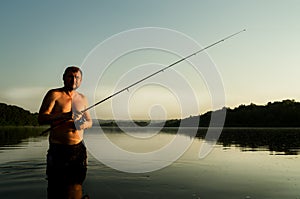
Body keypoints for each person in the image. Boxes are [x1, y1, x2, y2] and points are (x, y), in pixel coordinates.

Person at [38, 66, 92, 199]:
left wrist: (82, 125)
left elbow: (90, 122)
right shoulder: (54, 94)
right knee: (55, 187)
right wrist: (64, 116)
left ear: (81, 80)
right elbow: (42, 118)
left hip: (78, 149)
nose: (74, 80)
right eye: (70, 76)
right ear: (63, 77)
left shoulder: (83, 98)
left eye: (77, 77)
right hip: (58, 149)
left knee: (77, 185)